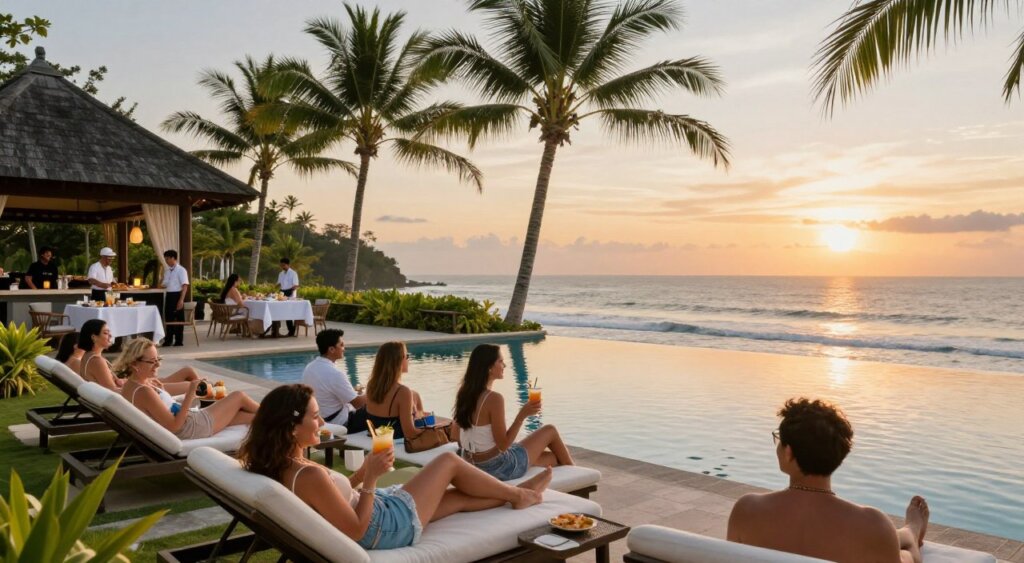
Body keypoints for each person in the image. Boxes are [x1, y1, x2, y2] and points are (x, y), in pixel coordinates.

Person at [238, 384, 551, 550]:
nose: (322, 423)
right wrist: (372, 478)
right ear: (292, 428)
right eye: (315, 416)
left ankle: (518, 493)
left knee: (458, 498)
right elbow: (356, 530)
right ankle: (518, 494)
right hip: (383, 528)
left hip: (377, 515)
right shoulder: (309, 473)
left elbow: (337, 499)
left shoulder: (285, 465)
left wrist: (363, 475)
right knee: (448, 462)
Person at [727, 398, 930, 563]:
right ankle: (912, 530)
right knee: (906, 555)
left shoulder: (747, 510)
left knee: (889, 538)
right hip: (873, 537)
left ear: (789, 453)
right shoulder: (872, 523)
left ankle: (908, 531)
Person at [451, 344, 574, 481]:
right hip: (498, 468)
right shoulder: (493, 398)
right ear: (489, 368)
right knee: (550, 430)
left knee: (553, 457)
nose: (505, 365)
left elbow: (455, 435)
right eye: (501, 361)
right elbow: (503, 446)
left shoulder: (464, 393)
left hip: (471, 463)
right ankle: (576, 477)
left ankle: (571, 472)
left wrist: (478, 449)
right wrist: (522, 416)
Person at [115, 338, 259, 439]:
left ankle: (279, 421)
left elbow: (159, 409)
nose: (158, 365)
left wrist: (161, 390)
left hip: (190, 422)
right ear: (134, 365)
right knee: (238, 396)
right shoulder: (143, 391)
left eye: (158, 359)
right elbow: (175, 426)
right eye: (152, 361)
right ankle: (278, 411)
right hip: (191, 428)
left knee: (253, 418)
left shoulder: (132, 385)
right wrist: (190, 393)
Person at [78, 319, 202, 394]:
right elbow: (113, 392)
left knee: (188, 371)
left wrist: (127, 380)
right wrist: (144, 385)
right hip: (139, 392)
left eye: (109, 332)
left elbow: (112, 385)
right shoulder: (96, 361)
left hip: (137, 386)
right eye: (106, 333)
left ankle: (207, 397)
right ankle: (209, 398)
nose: (110, 336)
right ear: (94, 337)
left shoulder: (92, 357)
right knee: (193, 385)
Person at [303, 329, 367, 432]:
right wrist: (375, 391)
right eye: (341, 345)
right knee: (378, 409)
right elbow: (358, 403)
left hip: (320, 420)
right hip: (341, 423)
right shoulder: (335, 373)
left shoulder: (309, 368)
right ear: (331, 349)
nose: (344, 348)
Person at [363, 342, 428, 441]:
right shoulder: (402, 392)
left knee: (415, 394)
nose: (408, 359)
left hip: (375, 434)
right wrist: (431, 431)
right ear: (399, 360)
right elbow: (410, 434)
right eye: (407, 356)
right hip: (396, 440)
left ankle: (421, 418)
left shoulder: (371, 385)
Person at [160, 249, 190, 347]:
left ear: (173, 258)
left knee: (178, 319)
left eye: (168, 259)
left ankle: (178, 340)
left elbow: (185, 285)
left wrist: (181, 300)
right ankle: (168, 340)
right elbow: (164, 284)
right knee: (168, 317)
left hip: (177, 294)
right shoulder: (167, 271)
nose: (166, 261)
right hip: (169, 295)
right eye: (165, 259)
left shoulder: (181, 270)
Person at [275, 257, 299, 337]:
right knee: (279, 311)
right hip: (282, 293)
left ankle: (291, 331)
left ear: (288, 265)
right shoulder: (280, 273)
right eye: (281, 265)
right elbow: (278, 284)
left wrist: (288, 293)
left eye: (284, 265)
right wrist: (271, 289)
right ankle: (275, 330)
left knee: (288, 313)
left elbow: (296, 285)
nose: (282, 267)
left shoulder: (293, 273)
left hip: (290, 294)